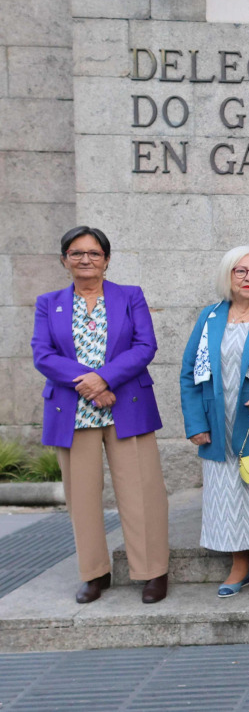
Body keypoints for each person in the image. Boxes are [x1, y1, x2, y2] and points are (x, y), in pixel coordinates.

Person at [32, 226, 169, 605]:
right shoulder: (48, 303)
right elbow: (43, 354)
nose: (85, 260)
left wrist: (105, 378)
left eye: (94, 253)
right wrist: (90, 385)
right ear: (64, 260)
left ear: (106, 260)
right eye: (76, 253)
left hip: (127, 404)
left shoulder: (129, 297)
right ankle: (95, 574)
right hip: (73, 411)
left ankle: (152, 571)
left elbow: (145, 345)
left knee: (142, 492)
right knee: (83, 497)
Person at [179, 246, 249, 599]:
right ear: (228, 276)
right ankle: (239, 565)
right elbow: (188, 373)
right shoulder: (210, 317)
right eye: (240, 271)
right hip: (220, 421)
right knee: (227, 494)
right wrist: (195, 422)